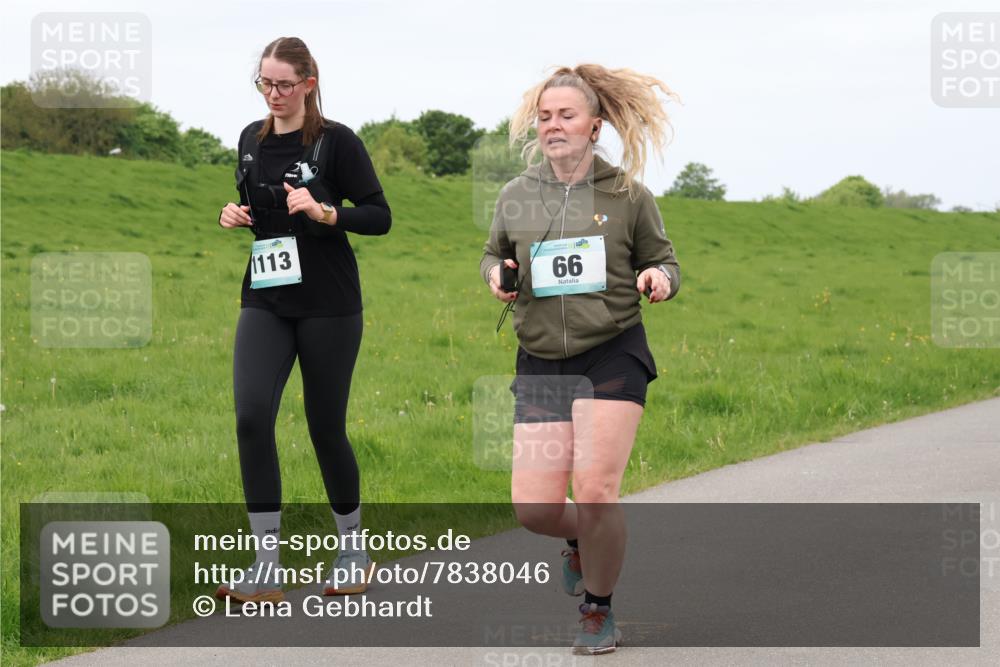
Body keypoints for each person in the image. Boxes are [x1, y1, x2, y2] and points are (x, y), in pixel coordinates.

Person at [480, 64, 681, 655]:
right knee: (536, 509)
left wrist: (657, 278)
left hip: (611, 353)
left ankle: (598, 609)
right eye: (545, 116)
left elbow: (666, 261)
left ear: (595, 125)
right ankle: (581, 541)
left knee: (595, 490)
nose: (553, 125)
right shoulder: (516, 194)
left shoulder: (627, 196)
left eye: (566, 115)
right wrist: (497, 275)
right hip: (541, 359)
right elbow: (492, 253)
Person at [214, 36, 390, 604]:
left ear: (308, 84)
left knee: (323, 426)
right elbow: (256, 204)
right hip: (265, 295)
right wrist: (235, 213)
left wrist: (325, 212)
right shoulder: (248, 138)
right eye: (264, 83)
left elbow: (380, 216)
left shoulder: (337, 143)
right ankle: (267, 564)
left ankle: (352, 549)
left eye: (284, 84)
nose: (273, 94)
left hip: (329, 303)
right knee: (248, 417)